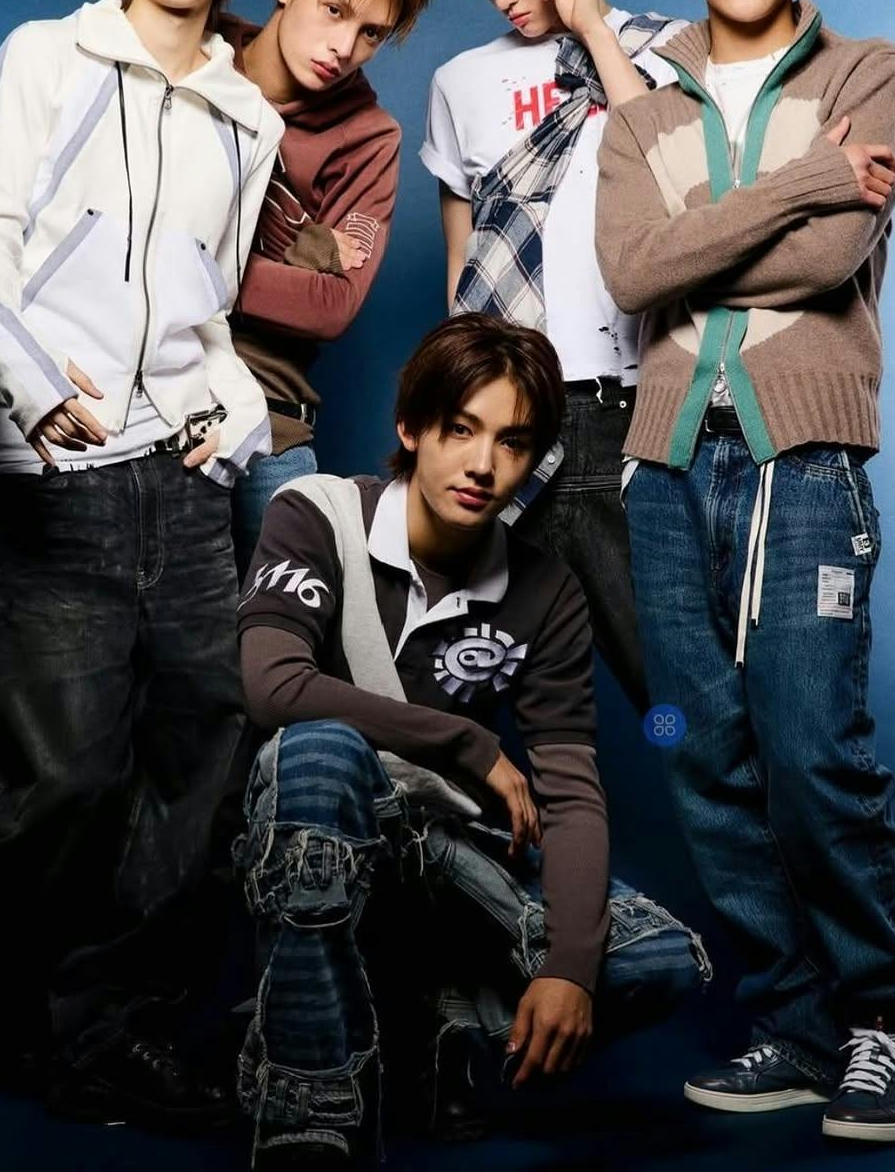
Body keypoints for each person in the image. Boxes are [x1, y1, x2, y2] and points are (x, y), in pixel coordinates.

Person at [594, 0, 895, 1145]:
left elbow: (827, 263)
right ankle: (798, 1021)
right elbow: (633, 275)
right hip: (664, 467)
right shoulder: (642, 116)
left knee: (811, 749)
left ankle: (888, 1017)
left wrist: (704, 240)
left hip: (803, 463)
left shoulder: (869, 71)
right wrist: (807, 180)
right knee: (698, 755)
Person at [0, 0, 283, 1127]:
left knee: (204, 755)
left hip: (185, 485)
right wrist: (37, 386)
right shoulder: (48, 56)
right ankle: (24, 1024)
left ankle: (121, 1028)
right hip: (56, 473)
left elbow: (210, 307)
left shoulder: (248, 116)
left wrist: (238, 410)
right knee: (59, 776)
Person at [233, 313, 710, 1168]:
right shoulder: (315, 514)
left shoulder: (544, 588)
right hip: (314, 836)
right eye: (461, 429)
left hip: (439, 856)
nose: (484, 465)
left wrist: (569, 970)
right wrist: (462, 742)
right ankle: (312, 1105)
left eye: (513, 442)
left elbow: (570, 790)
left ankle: (429, 1023)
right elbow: (274, 685)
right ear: (411, 428)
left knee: (658, 961)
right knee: (318, 750)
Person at [420, 0, 685, 716]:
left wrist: (593, 27)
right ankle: (488, 809)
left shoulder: (666, 49)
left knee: (666, 683)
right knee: (467, 676)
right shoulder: (460, 81)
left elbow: (673, 173)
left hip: (628, 409)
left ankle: (704, 788)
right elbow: (463, 266)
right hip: (503, 415)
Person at [219, 0, 436, 580]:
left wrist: (188, 262)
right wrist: (300, 248)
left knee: (283, 636)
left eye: (371, 33)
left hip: (270, 427)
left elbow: (331, 305)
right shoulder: (197, 56)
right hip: (143, 407)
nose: (345, 48)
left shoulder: (369, 138)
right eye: (335, 10)